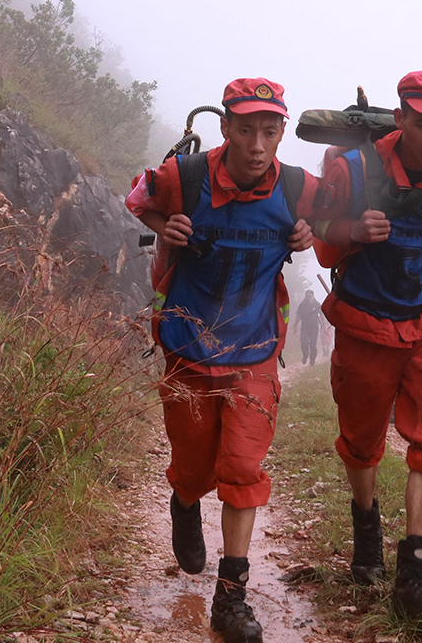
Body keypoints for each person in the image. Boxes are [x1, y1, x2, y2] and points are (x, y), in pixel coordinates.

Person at [126, 77, 324, 643]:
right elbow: (137, 197)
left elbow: (337, 223)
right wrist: (166, 226)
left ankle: (231, 596)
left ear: (282, 131)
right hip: (189, 346)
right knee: (195, 465)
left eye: (269, 130)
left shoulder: (295, 186)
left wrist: (313, 232)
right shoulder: (184, 177)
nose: (257, 144)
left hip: (255, 351)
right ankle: (184, 502)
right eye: (245, 130)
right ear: (225, 128)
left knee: (241, 467)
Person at [312, 70, 422, 624]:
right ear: (401, 118)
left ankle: (415, 573)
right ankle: (367, 526)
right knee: (361, 441)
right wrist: (351, 231)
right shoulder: (351, 168)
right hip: (365, 321)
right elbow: (320, 239)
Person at [296, 288, 323, 365]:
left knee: (313, 344)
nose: (309, 298)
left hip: (314, 328)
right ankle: (305, 355)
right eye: (307, 296)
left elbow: (321, 316)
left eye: (310, 296)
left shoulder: (317, 304)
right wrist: (295, 326)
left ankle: (312, 360)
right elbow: (298, 315)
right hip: (305, 327)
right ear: (305, 297)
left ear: (313, 297)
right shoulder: (302, 305)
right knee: (303, 343)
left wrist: (324, 327)